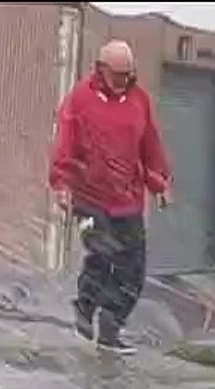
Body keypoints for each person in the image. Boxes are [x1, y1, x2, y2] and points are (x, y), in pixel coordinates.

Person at [48, 39, 173, 355]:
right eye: (118, 74)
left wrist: (159, 183)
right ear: (101, 70)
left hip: (128, 199)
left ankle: (111, 324)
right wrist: (62, 185)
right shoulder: (80, 100)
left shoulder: (139, 100)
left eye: (128, 74)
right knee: (102, 253)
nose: (124, 81)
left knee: (133, 268)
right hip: (89, 195)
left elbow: (150, 145)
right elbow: (65, 144)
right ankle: (85, 309)